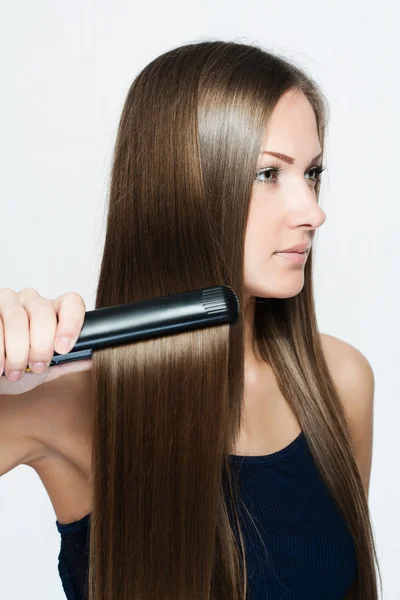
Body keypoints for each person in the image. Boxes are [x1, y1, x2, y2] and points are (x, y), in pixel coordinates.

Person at [0, 40, 381, 600]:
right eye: (268, 175)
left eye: (313, 173)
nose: (313, 212)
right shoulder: (59, 404)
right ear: (183, 187)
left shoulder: (340, 381)